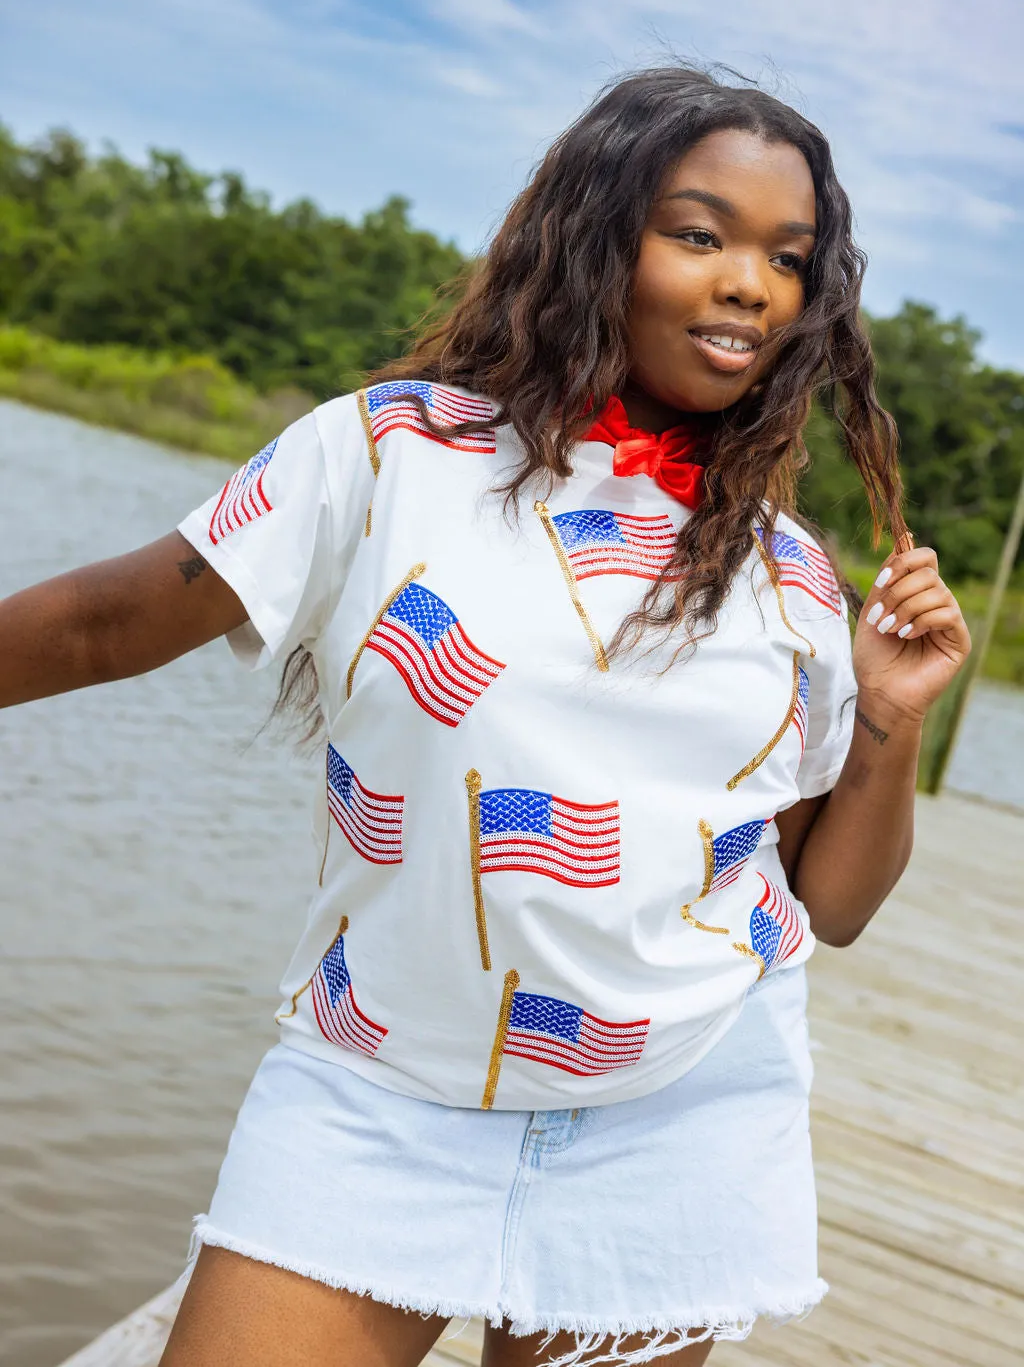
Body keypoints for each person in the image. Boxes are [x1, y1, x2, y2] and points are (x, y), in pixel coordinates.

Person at [0, 66, 970, 1367]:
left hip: (676, 1117)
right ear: (594, 234)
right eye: (699, 233)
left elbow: (831, 902)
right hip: (378, 1093)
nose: (750, 281)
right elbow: (103, 621)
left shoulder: (792, 578)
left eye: (785, 258)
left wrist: (890, 721)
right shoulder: (390, 453)